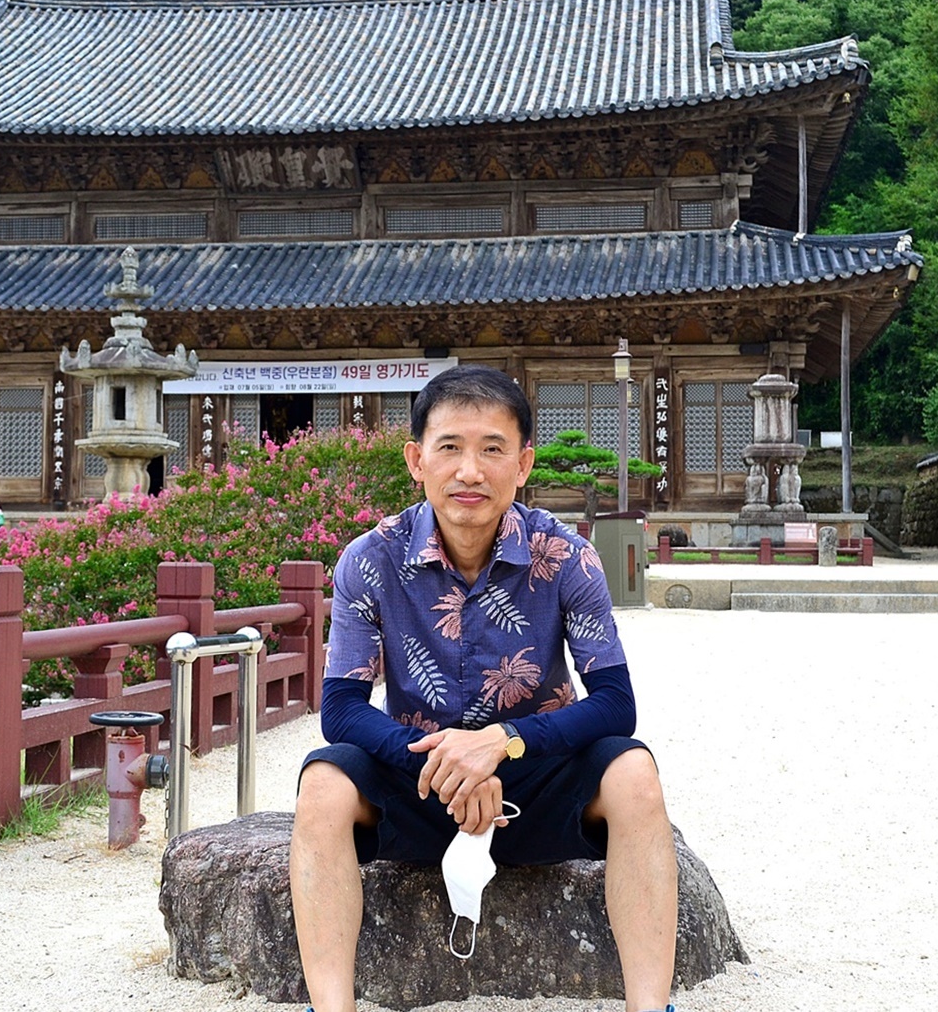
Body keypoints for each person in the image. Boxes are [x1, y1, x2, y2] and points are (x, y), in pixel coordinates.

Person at [290, 366, 679, 1012]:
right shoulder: (370, 558)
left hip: (536, 778)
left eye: (492, 449)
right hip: (419, 779)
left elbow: (616, 702)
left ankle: (650, 1007)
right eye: (449, 447)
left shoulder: (566, 556)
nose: (469, 471)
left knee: (634, 772)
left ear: (523, 464)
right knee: (324, 781)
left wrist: (501, 743)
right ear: (416, 460)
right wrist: (449, 762)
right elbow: (342, 709)